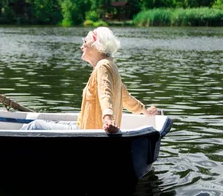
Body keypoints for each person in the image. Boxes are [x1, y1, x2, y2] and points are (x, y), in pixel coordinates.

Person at [22, 27, 158, 133]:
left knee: (34, 125)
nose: (82, 46)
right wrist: (144, 111)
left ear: (97, 45)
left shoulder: (103, 66)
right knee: (49, 122)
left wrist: (108, 118)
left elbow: (105, 94)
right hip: (85, 125)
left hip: (88, 131)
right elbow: (125, 98)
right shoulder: (111, 66)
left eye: (85, 42)